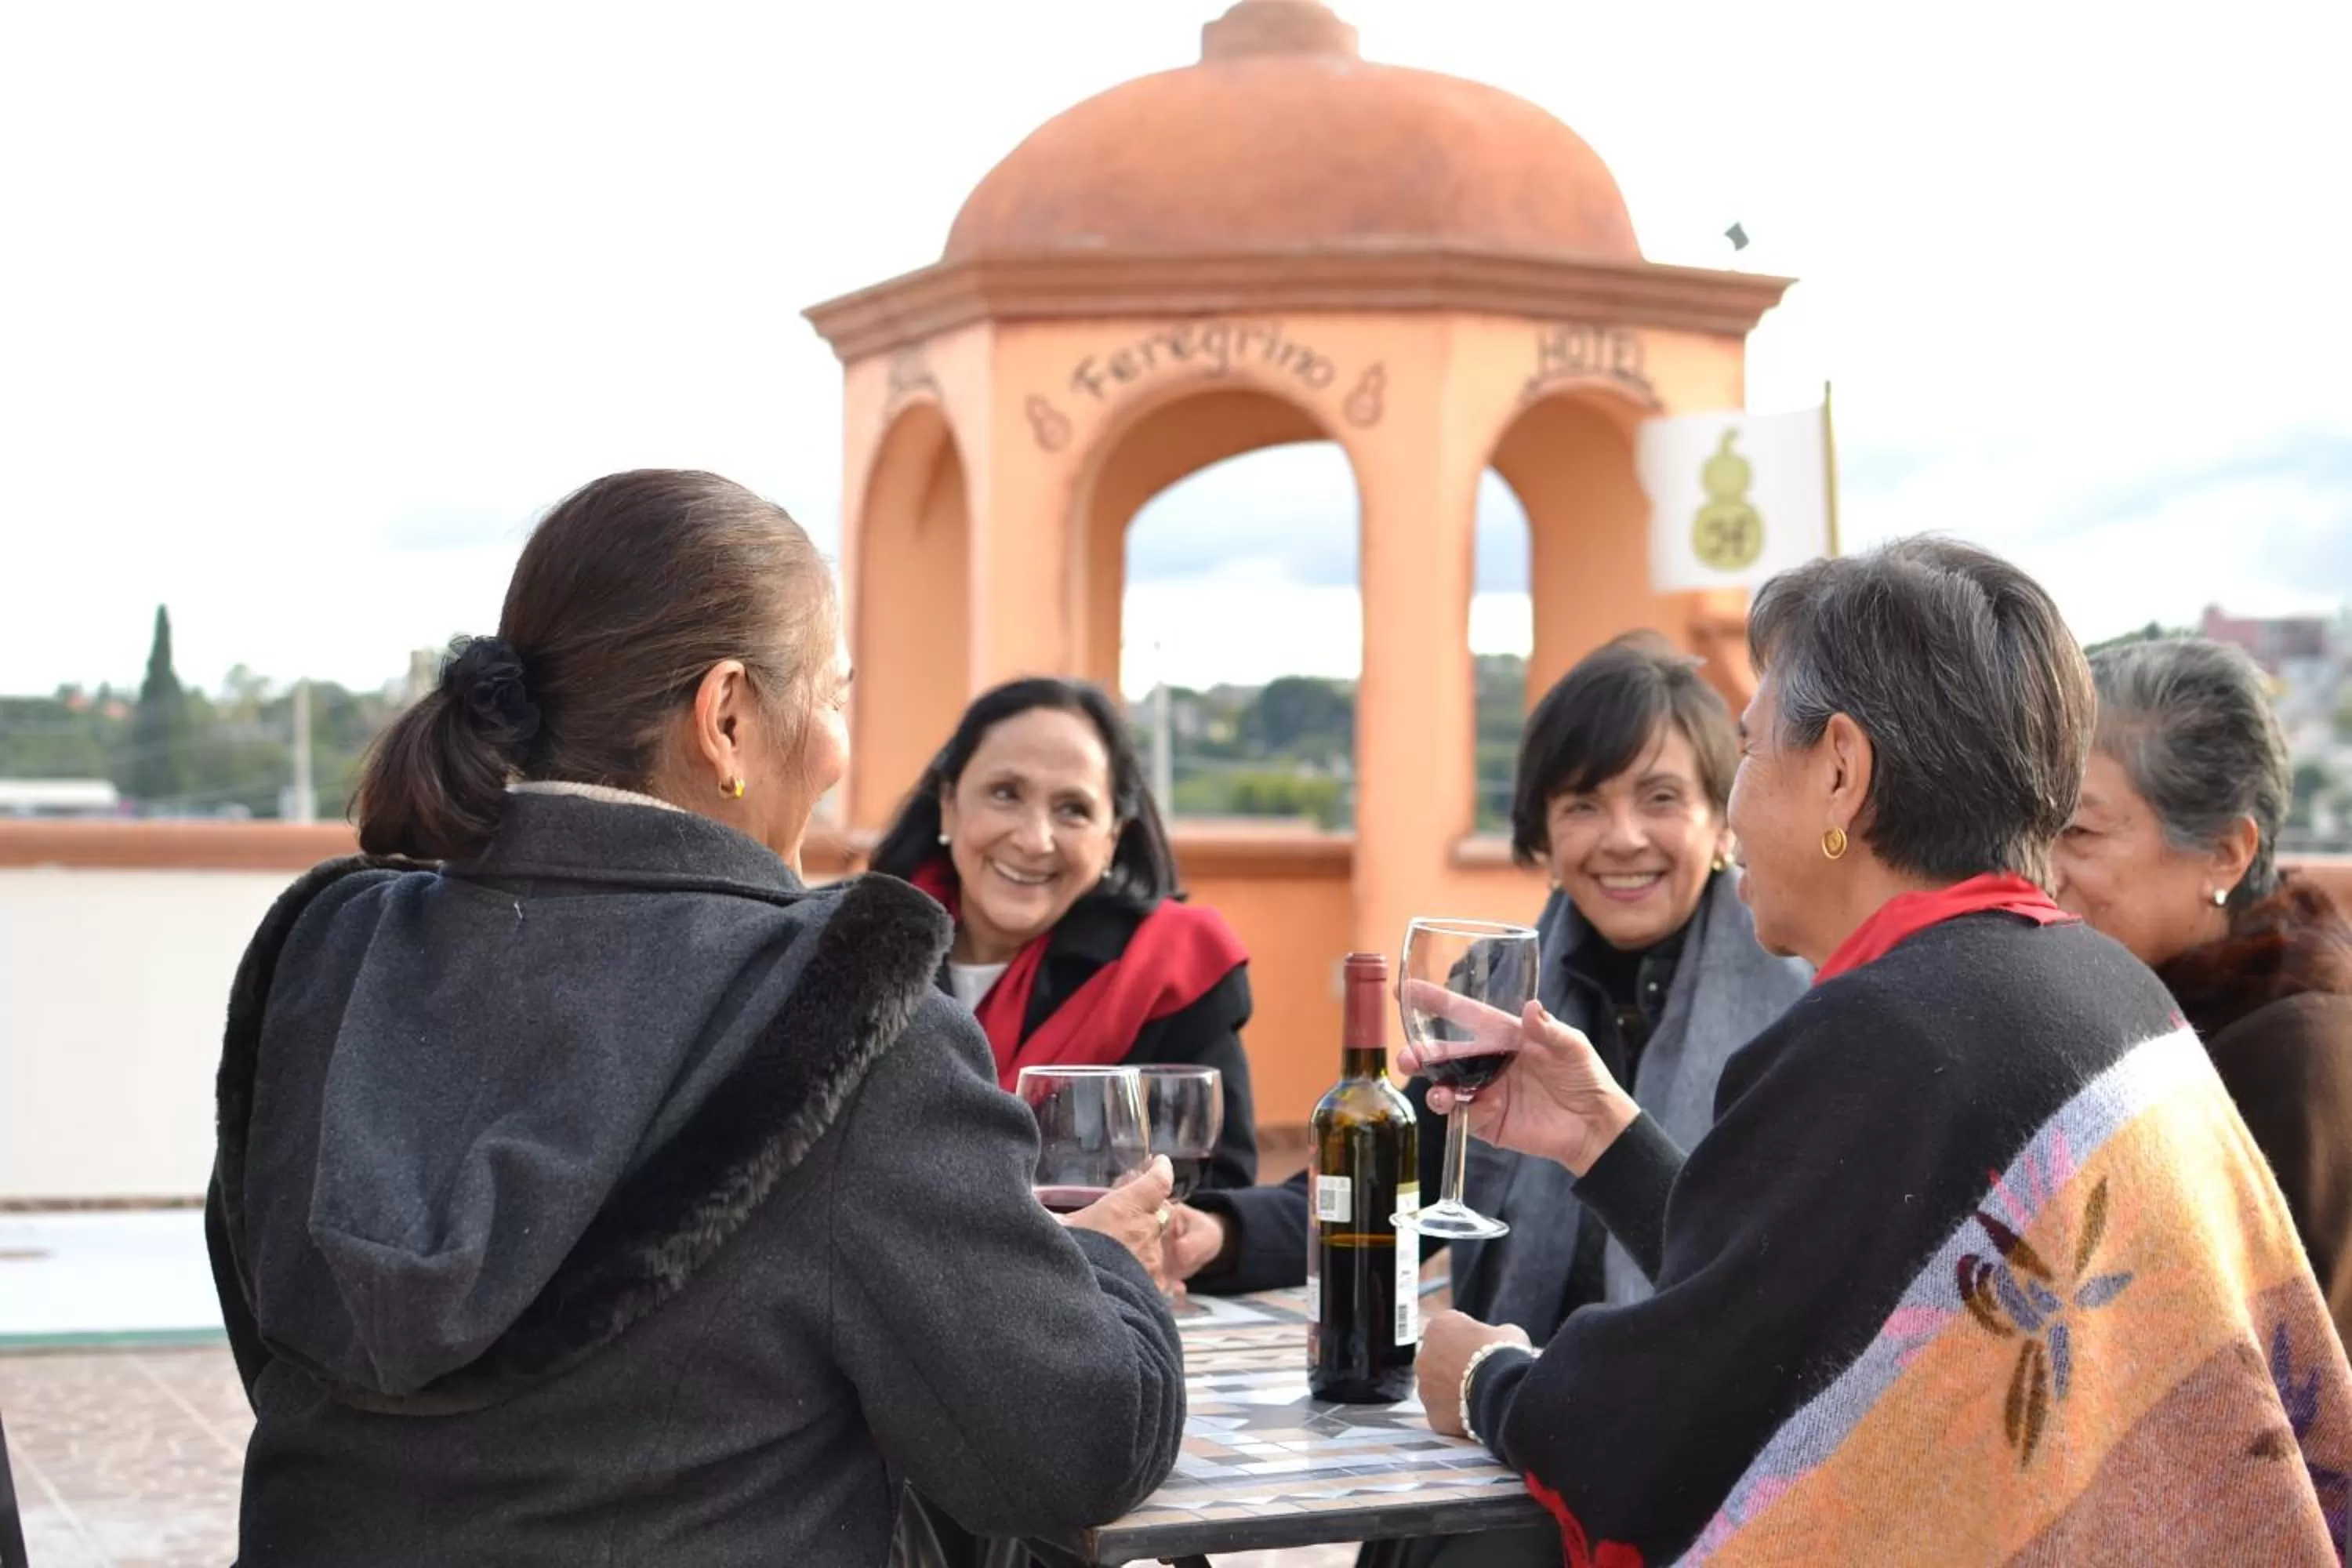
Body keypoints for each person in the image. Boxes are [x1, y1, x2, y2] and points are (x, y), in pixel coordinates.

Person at [203, 470, 1185, 1567]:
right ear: (727, 719)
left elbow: (286, 1338)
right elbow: (1072, 1449)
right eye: (834, 696)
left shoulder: (324, 947)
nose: (839, 744)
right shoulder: (844, 1013)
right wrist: (1103, 1271)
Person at [1408, 539, 2352, 1564]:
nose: (1735, 803)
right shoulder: (2098, 980)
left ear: (1842, 773)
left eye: (1754, 748)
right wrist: (1605, 1134)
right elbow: (1797, 1297)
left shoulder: (1885, 1028)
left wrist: (1486, 1379)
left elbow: (1673, 1440)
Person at [1170, 636, 1808, 1341]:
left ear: (1722, 821)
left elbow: (1786, 1270)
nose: (1623, 838)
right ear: (1545, 837)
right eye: (1583, 806)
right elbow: (1392, 1201)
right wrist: (1220, 1233)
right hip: (1507, 1394)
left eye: (1661, 798)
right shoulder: (1499, 990)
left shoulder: (1801, 999)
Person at [2054, 636, 2352, 1338]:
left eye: (2081, 833)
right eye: (2036, 828)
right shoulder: (2137, 1010)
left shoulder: (2291, 1058)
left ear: (2224, 853)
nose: (2042, 869)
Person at [872, 677, 1258, 1192]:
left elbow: (1214, 1200)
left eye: (1072, 809)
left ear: (1112, 839)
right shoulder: (857, 946)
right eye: (1005, 794)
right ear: (949, 803)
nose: (1034, 840)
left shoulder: (1170, 969)